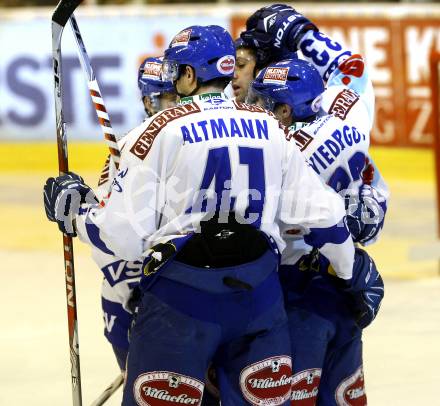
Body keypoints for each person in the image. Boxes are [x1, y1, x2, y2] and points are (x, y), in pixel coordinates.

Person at [43, 24, 356, 405]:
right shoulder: (272, 128)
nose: (173, 82)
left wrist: (77, 215)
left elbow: (121, 235)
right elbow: (325, 219)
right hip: (258, 300)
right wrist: (345, 275)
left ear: (190, 75)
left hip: (182, 303)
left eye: (176, 71)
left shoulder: (156, 131)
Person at [242, 4, 388, 404]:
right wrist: (306, 36)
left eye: (264, 102)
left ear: (284, 110)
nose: (255, 106)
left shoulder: (279, 151)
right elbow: (354, 71)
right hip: (339, 287)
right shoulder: (347, 118)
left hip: (288, 293)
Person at [83, 57, 178, 373]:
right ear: (149, 101)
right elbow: (114, 235)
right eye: (167, 98)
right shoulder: (129, 149)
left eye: (175, 95)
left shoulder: (135, 145)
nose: (173, 104)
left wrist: (79, 216)